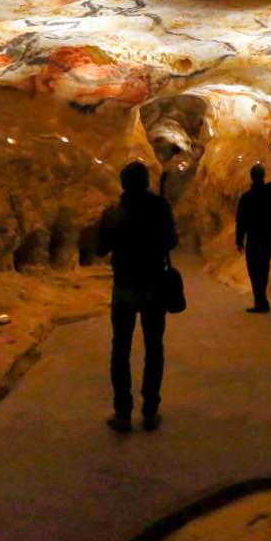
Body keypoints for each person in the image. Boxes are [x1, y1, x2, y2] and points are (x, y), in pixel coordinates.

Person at [96, 160, 178, 433]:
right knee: (154, 347)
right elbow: (172, 241)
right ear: (146, 181)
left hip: (125, 287)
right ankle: (150, 411)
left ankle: (122, 413)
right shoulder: (161, 208)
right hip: (154, 284)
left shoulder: (114, 213)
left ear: (123, 184)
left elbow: (100, 247)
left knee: (120, 349)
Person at [235, 141, 271, 313]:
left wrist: (239, 240)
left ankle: (260, 300)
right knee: (264, 266)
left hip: (253, 237)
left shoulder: (247, 197)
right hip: (268, 236)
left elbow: (241, 220)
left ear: (251, 176)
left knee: (254, 269)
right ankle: (261, 300)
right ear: (263, 175)